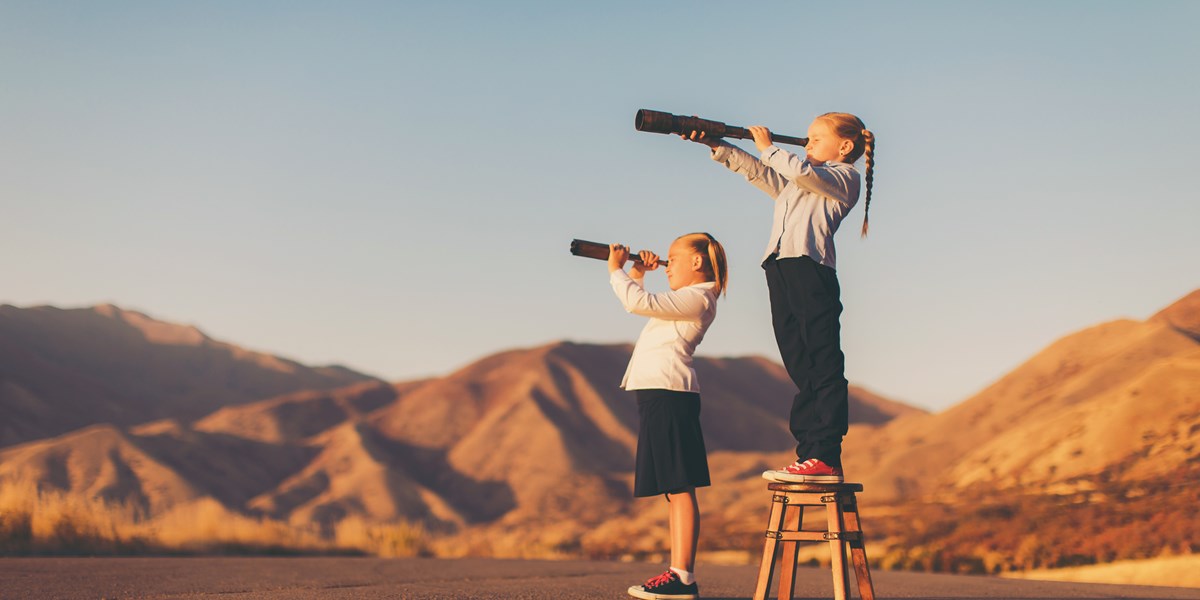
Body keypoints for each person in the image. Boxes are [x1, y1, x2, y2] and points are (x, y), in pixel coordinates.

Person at [680, 113, 875, 484]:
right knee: (799, 362)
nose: (807, 143)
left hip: (810, 269)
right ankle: (809, 454)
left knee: (822, 361)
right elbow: (760, 172)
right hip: (781, 268)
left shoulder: (843, 178)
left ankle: (826, 454)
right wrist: (715, 144)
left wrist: (769, 147)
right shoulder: (800, 183)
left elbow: (798, 172)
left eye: (816, 137)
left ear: (845, 147)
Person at [608, 233, 727, 600]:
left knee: (680, 485)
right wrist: (639, 272)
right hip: (660, 393)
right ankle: (679, 574)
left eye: (673, 258)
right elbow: (646, 301)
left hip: (670, 393)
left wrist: (618, 270)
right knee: (674, 489)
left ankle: (683, 576)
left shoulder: (699, 296)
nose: (667, 264)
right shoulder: (686, 298)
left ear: (696, 262)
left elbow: (637, 303)